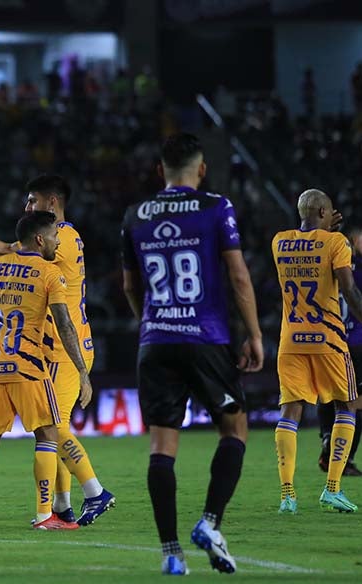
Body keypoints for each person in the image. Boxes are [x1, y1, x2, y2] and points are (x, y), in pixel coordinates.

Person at [0, 174, 114, 527]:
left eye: (32, 201)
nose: (27, 206)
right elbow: (11, 249)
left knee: (54, 429)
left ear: (51, 203)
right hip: (39, 351)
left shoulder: (64, 237)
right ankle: (61, 508)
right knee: (51, 429)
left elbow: (6, 251)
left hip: (65, 348)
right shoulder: (43, 246)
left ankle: (93, 492)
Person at [121, 133, 263, 575]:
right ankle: (210, 522)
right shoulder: (215, 206)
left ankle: (171, 554)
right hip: (206, 336)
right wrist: (255, 334)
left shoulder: (135, 214)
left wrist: (151, 323)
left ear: (160, 170)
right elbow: (238, 277)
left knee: (162, 443)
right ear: (201, 170)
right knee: (235, 427)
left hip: (156, 340)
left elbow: (130, 286)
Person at [272, 191, 362, 516]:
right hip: (328, 340)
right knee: (347, 406)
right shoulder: (337, 244)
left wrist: (325, 231)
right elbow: (349, 289)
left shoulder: (279, 242)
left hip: (290, 341)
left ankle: (287, 495)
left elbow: (307, 244)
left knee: (290, 412)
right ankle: (333, 489)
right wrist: (335, 238)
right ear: (325, 211)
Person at [317, 228, 362, 476]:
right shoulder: (354, 269)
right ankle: (343, 458)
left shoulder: (323, 267)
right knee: (354, 403)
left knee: (328, 397)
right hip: (353, 342)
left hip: (327, 340)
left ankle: (327, 441)